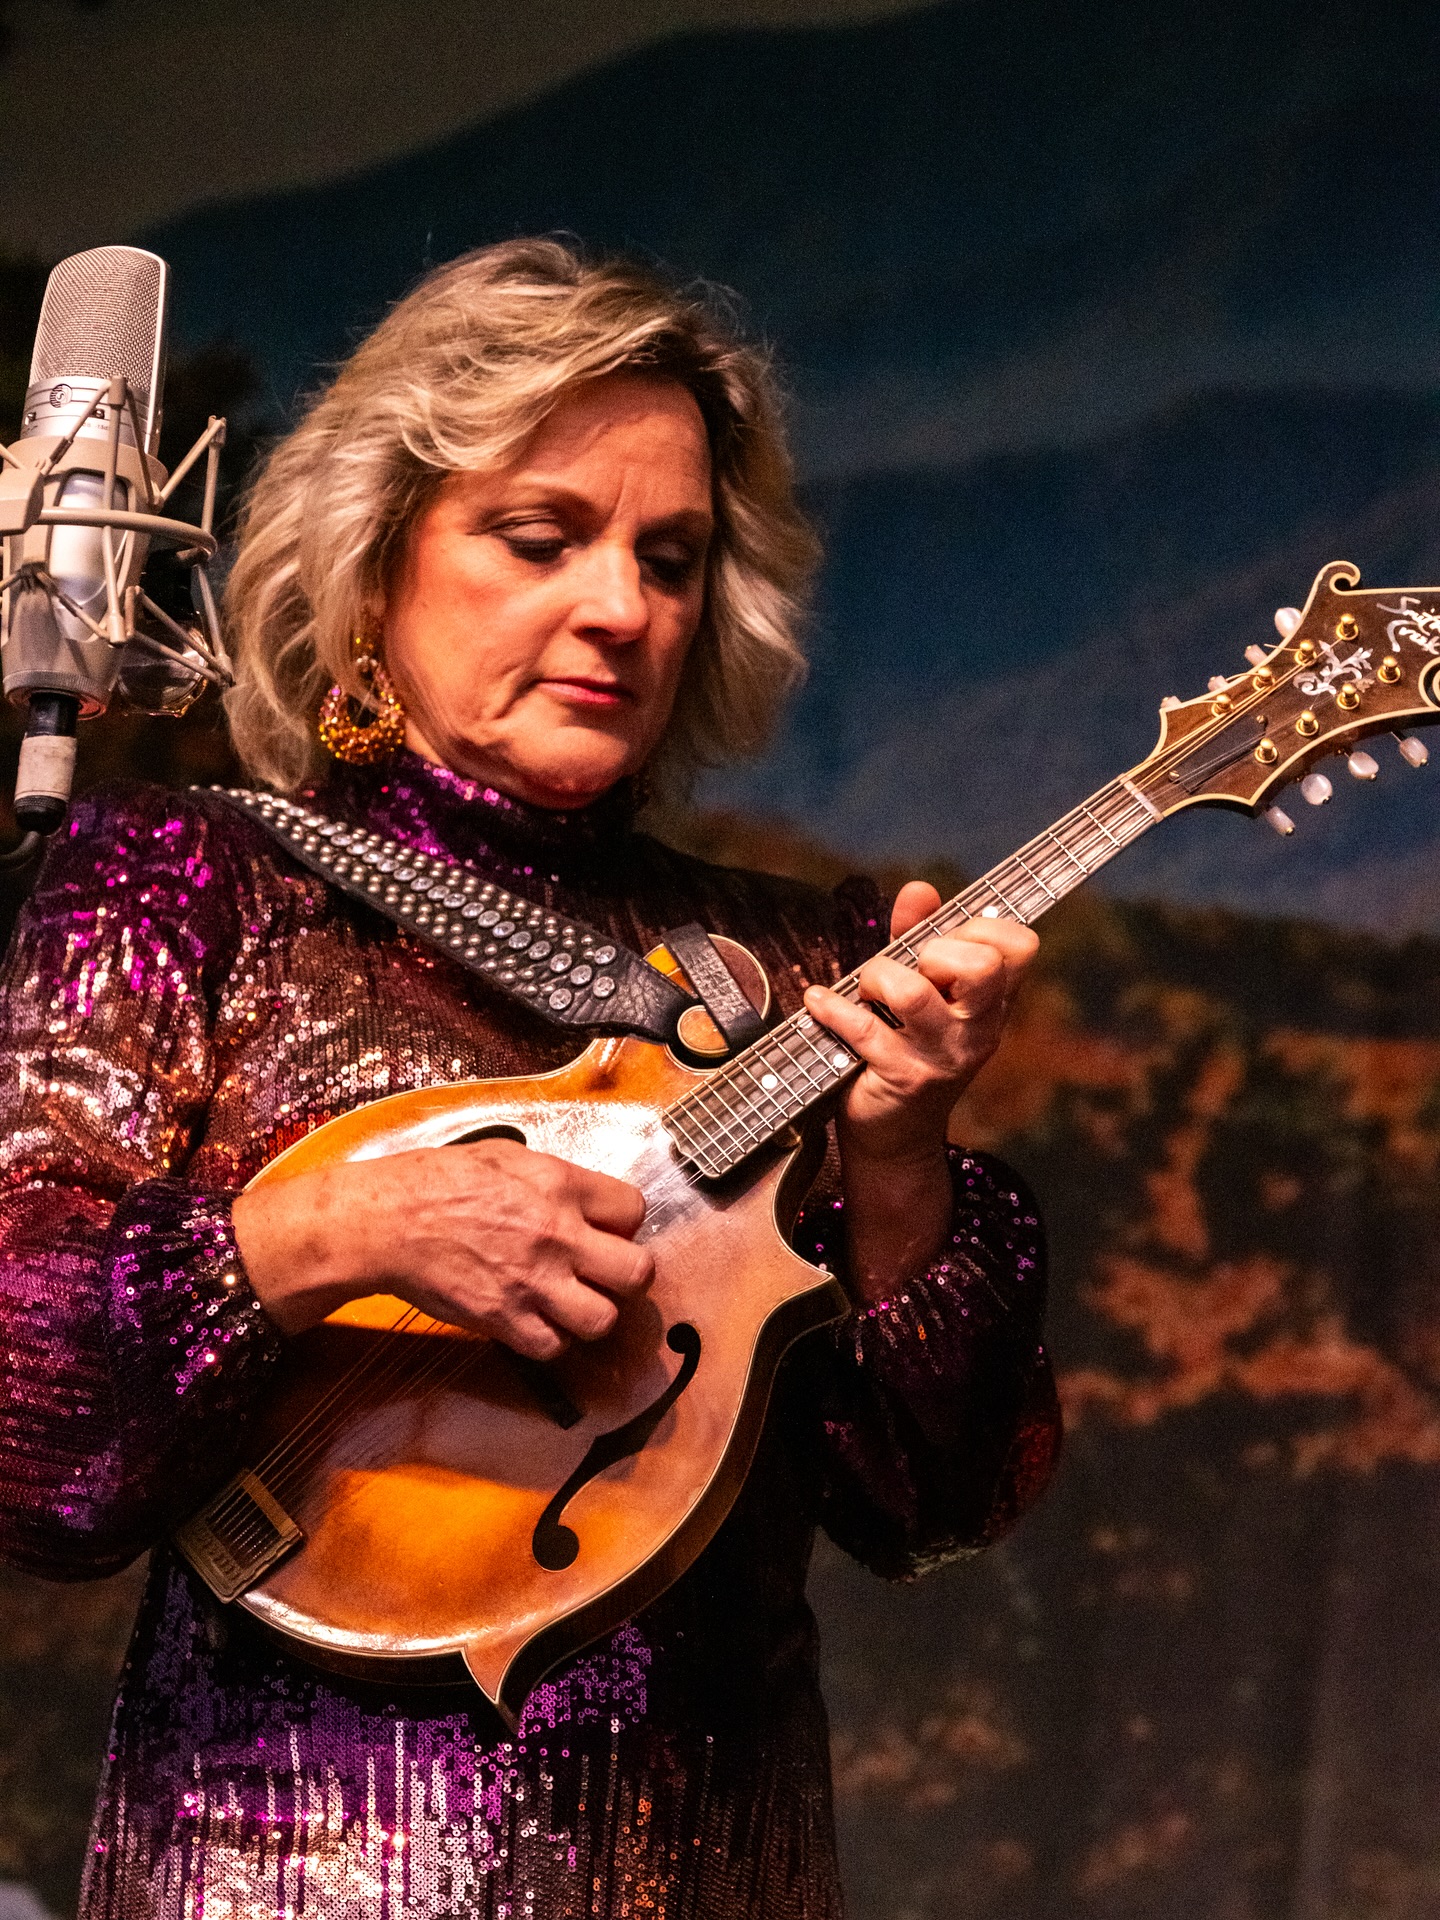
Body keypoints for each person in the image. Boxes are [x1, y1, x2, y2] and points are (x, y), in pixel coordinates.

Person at [0, 240, 1060, 1919]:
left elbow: (936, 1502)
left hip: (715, 1866)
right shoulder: (187, 887)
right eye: (541, 537)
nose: (621, 607)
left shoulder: (817, 976)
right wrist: (327, 1238)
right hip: (273, 1867)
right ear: (371, 569)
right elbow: (25, 1431)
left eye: (673, 556)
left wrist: (908, 1156)